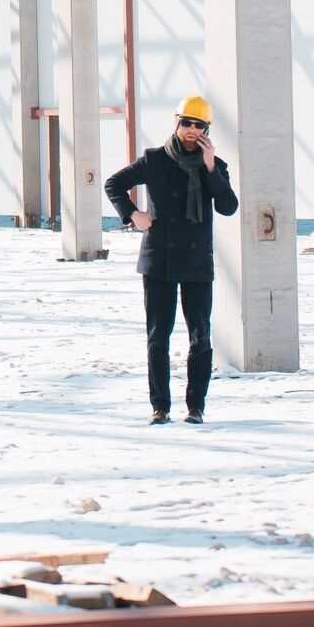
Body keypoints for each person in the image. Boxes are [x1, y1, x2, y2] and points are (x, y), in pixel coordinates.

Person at [104, 96, 238, 424]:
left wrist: (210, 167)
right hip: (159, 259)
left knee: (200, 337)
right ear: (177, 122)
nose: (191, 130)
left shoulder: (214, 165)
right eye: (186, 123)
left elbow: (228, 207)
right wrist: (133, 213)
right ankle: (160, 408)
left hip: (196, 261)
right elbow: (114, 184)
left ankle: (196, 408)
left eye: (198, 125)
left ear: (207, 130)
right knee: (158, 336)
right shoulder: (155, 159)